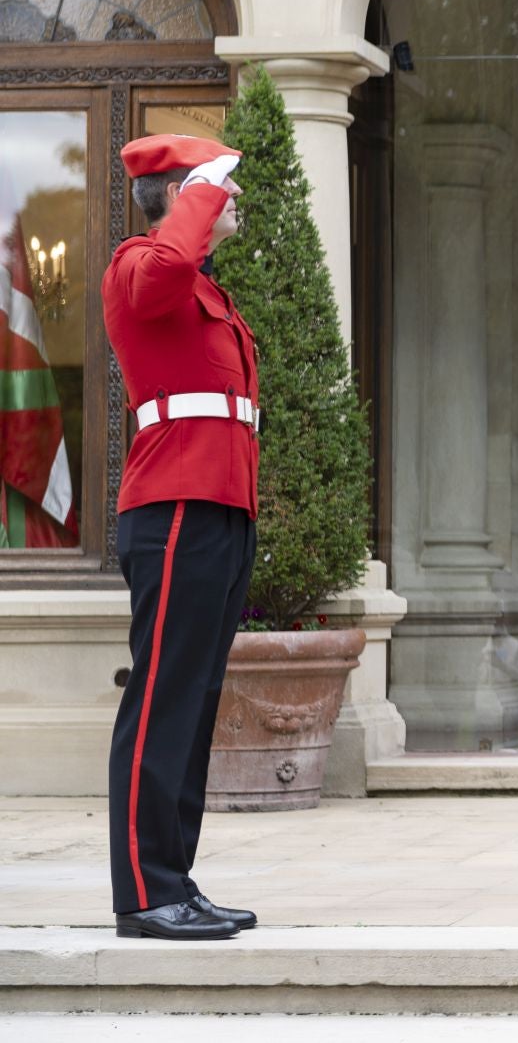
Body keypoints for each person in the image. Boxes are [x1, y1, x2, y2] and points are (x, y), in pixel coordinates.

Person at [104, 134, 261, 940]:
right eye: (216, 188)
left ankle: (176, 880)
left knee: (193, 706)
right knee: (162, 700)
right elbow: (166, 269)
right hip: (171, 511)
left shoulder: (205, 289)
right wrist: (197, 194)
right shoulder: (138, 267)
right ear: (179, 193)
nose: (233, 199)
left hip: (218, 510)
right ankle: (142, 891)